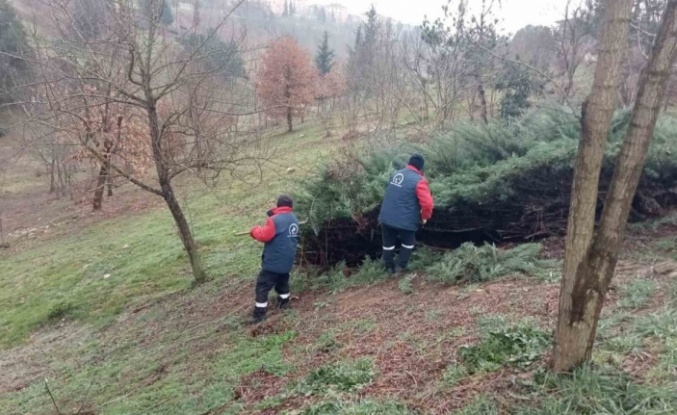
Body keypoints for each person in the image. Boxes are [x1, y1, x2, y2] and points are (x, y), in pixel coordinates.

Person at [378, 154, 434, 275]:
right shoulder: (419, 181)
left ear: (408, 163)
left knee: (388, 243)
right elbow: (428, 204)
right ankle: (400, 268)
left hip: (386, 217)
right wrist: (425, 217)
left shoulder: (396, 174)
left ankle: (388, 268)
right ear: (421, 168)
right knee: (408, 242)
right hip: (405, 221)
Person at [249, 195, 300, 323]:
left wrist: (255, 230)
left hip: (273, 262)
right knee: (282, 282)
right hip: (287, 260)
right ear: (290, 206)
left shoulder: (274, 220)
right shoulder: (294, 219)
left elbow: (265, 235)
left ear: (278, 205)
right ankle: (285, 303)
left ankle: (259, 314)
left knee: (262, 286)